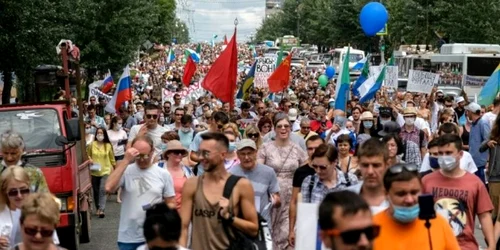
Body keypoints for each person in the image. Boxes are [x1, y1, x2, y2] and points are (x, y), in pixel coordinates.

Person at [179, 132, 258, 250]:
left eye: (206, 153)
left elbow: (253, 229)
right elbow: (183, 227)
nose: (201, 157)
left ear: (223, 154)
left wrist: (229, 217)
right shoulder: (192, 185)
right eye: (200, 153)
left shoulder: (241, 186)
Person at [422, 134, 494, 249]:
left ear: (460, 154)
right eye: (440, 153)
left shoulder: (475, 183)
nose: (444, 157)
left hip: (464, 246)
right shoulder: (426, 181)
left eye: (449, 153)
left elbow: (484, 215)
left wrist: (492, 245)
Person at [105, 136, 176, 250]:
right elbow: (109, 188)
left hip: (155, 237)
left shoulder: (163, 174)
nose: (142, 159)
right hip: (129, 236)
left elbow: (171, 203)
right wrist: (126, 160)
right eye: (138, 155)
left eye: (145, 155)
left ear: (152, 151)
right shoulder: (126, 170)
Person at [373, 163, 460, 250]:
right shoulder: (371, 228)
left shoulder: (439, 224)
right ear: (386, 194)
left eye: (414, 192)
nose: (409, 200)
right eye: (401, 194)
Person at [258, 113, 308, 250]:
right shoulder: (265, 148)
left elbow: (306, 171)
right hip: (271, 196)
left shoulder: (298, 149)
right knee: (269, 230)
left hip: (292, 196)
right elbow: (259, 171)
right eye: (279, 126)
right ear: (274, 129)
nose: (283, 129)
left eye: (286, 126)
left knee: (287, 232)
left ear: (291, 128)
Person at [0, 167, 59, 249]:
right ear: (4, 191)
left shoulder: (39, 211)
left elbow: (53, 243)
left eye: (24, 190)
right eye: (13, 192)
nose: (19, 196)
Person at [230, 139, 280, 224]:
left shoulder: (268, 172)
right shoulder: (231, 174)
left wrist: (275, 200)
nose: (246, 157)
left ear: (255, 153)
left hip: (263, 223)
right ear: (238, 155)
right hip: (240, 223)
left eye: (249, 153)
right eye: (243, 154)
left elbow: (276, 196)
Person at [347, 138, 390, 214]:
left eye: (376, 165)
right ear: (359, 164)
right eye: (365, 165)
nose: (370, 171)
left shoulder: (400, 200)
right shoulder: (345, 198)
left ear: (387, 165)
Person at [87, 128, 115, 218]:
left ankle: (102, 209)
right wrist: (90, 159)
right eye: (98, 133)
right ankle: (98, 207)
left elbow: (112, 158)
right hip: (94, 170)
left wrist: (115, 168)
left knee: (102, 189)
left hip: (105, 170)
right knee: (96, 190)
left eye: (101, 133)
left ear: (104, 134)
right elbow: (87, 154)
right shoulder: (92, 144)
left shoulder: (108, 145)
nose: (99, 134)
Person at [158, 140, 194, 211]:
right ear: (168, 154)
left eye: (182, 152)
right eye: (176, 152)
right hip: (162, 212)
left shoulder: (187, 171)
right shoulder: (158, 168)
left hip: (184, 212)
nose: (180, 155)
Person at [465, 102, 491, 185]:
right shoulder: (473, 125)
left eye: (468, 111)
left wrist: (487, 160)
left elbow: (487, 140)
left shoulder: (483, 123)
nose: (467, 113)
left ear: (471, 112)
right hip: (473, 162)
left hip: (481, 162)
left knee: (481, 185)